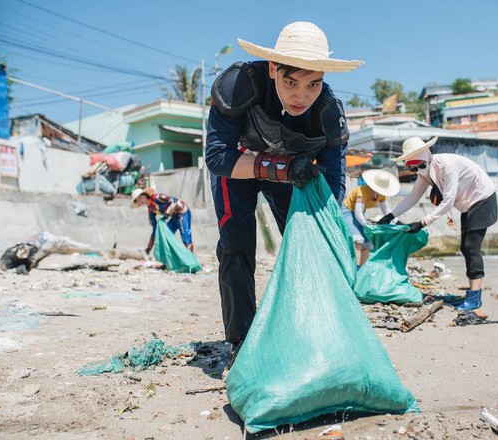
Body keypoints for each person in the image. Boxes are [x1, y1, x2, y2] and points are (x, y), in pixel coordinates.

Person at [204, 22, 363, 361]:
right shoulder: (239, 85)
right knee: (236, 246)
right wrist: (282, 168)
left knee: (306, 245)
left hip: (291, 175)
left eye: (313, 83)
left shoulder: (328, 112)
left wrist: (328, 228)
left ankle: (303, 330)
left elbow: (333, 178)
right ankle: (241, 341)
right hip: (238, 168)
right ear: (273, 68)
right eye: (291, 82)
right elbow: (217, 157)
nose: (301, 96)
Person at [378, 136, 498, 311]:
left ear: (428, 157)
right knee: (466, 248)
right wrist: (390, 216)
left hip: (483, 199)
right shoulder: (425, 173)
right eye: (413, 167)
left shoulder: (446, 165)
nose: (418, 170)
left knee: (471, 247)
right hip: (468, 205)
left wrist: (422, 223)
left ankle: (474, 299)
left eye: (421, 165)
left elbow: (448, 201)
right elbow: (413, 197)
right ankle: (472, 296)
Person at [342, 169, 400, 267]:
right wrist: (366, 224)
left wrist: (397, 221)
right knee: (358, 239)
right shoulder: (362, 191)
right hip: (347, 211)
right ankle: (354, 270)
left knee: (368, 243)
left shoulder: (382, 194)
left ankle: (362, 271)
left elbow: (386, 210)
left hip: (360, 215)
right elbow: (358, 213)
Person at [131, 187, 194, 254]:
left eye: (140, 198)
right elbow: (155, 227)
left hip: (183, 213)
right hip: (174, 217)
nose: (140, 201)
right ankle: (168, 262)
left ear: (145, 195)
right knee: (164, 237)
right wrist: (149, 247)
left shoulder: (158, 197)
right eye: (138, 201)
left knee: (186, 239)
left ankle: (191, 261)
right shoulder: (151, 209)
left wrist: (167, 213)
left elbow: (174, 202)